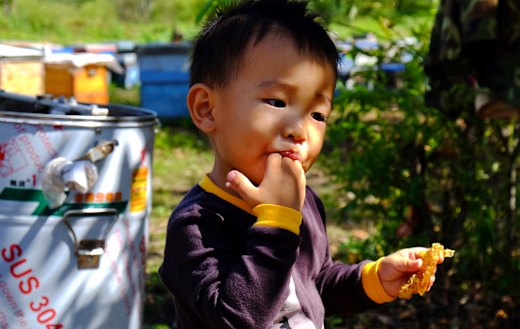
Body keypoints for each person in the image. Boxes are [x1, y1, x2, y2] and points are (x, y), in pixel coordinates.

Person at [159, 0, 443, 328]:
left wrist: (374, 279)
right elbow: (236, 319)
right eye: (277, 102)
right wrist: (277, 224)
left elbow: (314, 285)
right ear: (207, 109)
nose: (300, 130)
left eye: (318, 114)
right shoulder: (198, 225)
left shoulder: (304, 203)